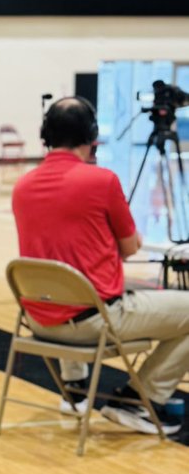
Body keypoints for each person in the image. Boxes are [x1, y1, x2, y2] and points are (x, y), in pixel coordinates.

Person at [12, 96, 189, 435]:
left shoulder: (22, 186)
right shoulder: (102, 181)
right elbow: (130, 247)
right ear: (91, 135)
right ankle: (140, 400)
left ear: (45, 134)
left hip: (39, 319)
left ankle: (74, 389)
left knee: (65, 284)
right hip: (94, 322)